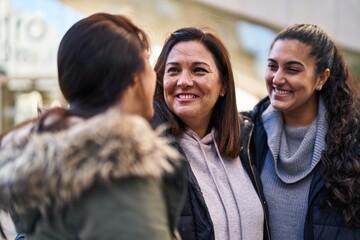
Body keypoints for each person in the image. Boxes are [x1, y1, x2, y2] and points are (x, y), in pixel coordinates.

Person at [0, 13, 186, 240]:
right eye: (147, 60)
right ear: (133, 77)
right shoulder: (121, 166)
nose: (154, 74)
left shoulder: (42, 164)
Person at [242, 23, 360, 240]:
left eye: (292, 69)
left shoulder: (353, 143)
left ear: (321, 78)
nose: (277, 78)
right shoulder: (245, 134)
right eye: (272, 66)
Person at [152, 27, 270, 240]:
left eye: (198, 70)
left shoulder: (248, 142)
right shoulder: (149, 150)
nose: (184, 81)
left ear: (223, 84)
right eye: (173, 70)